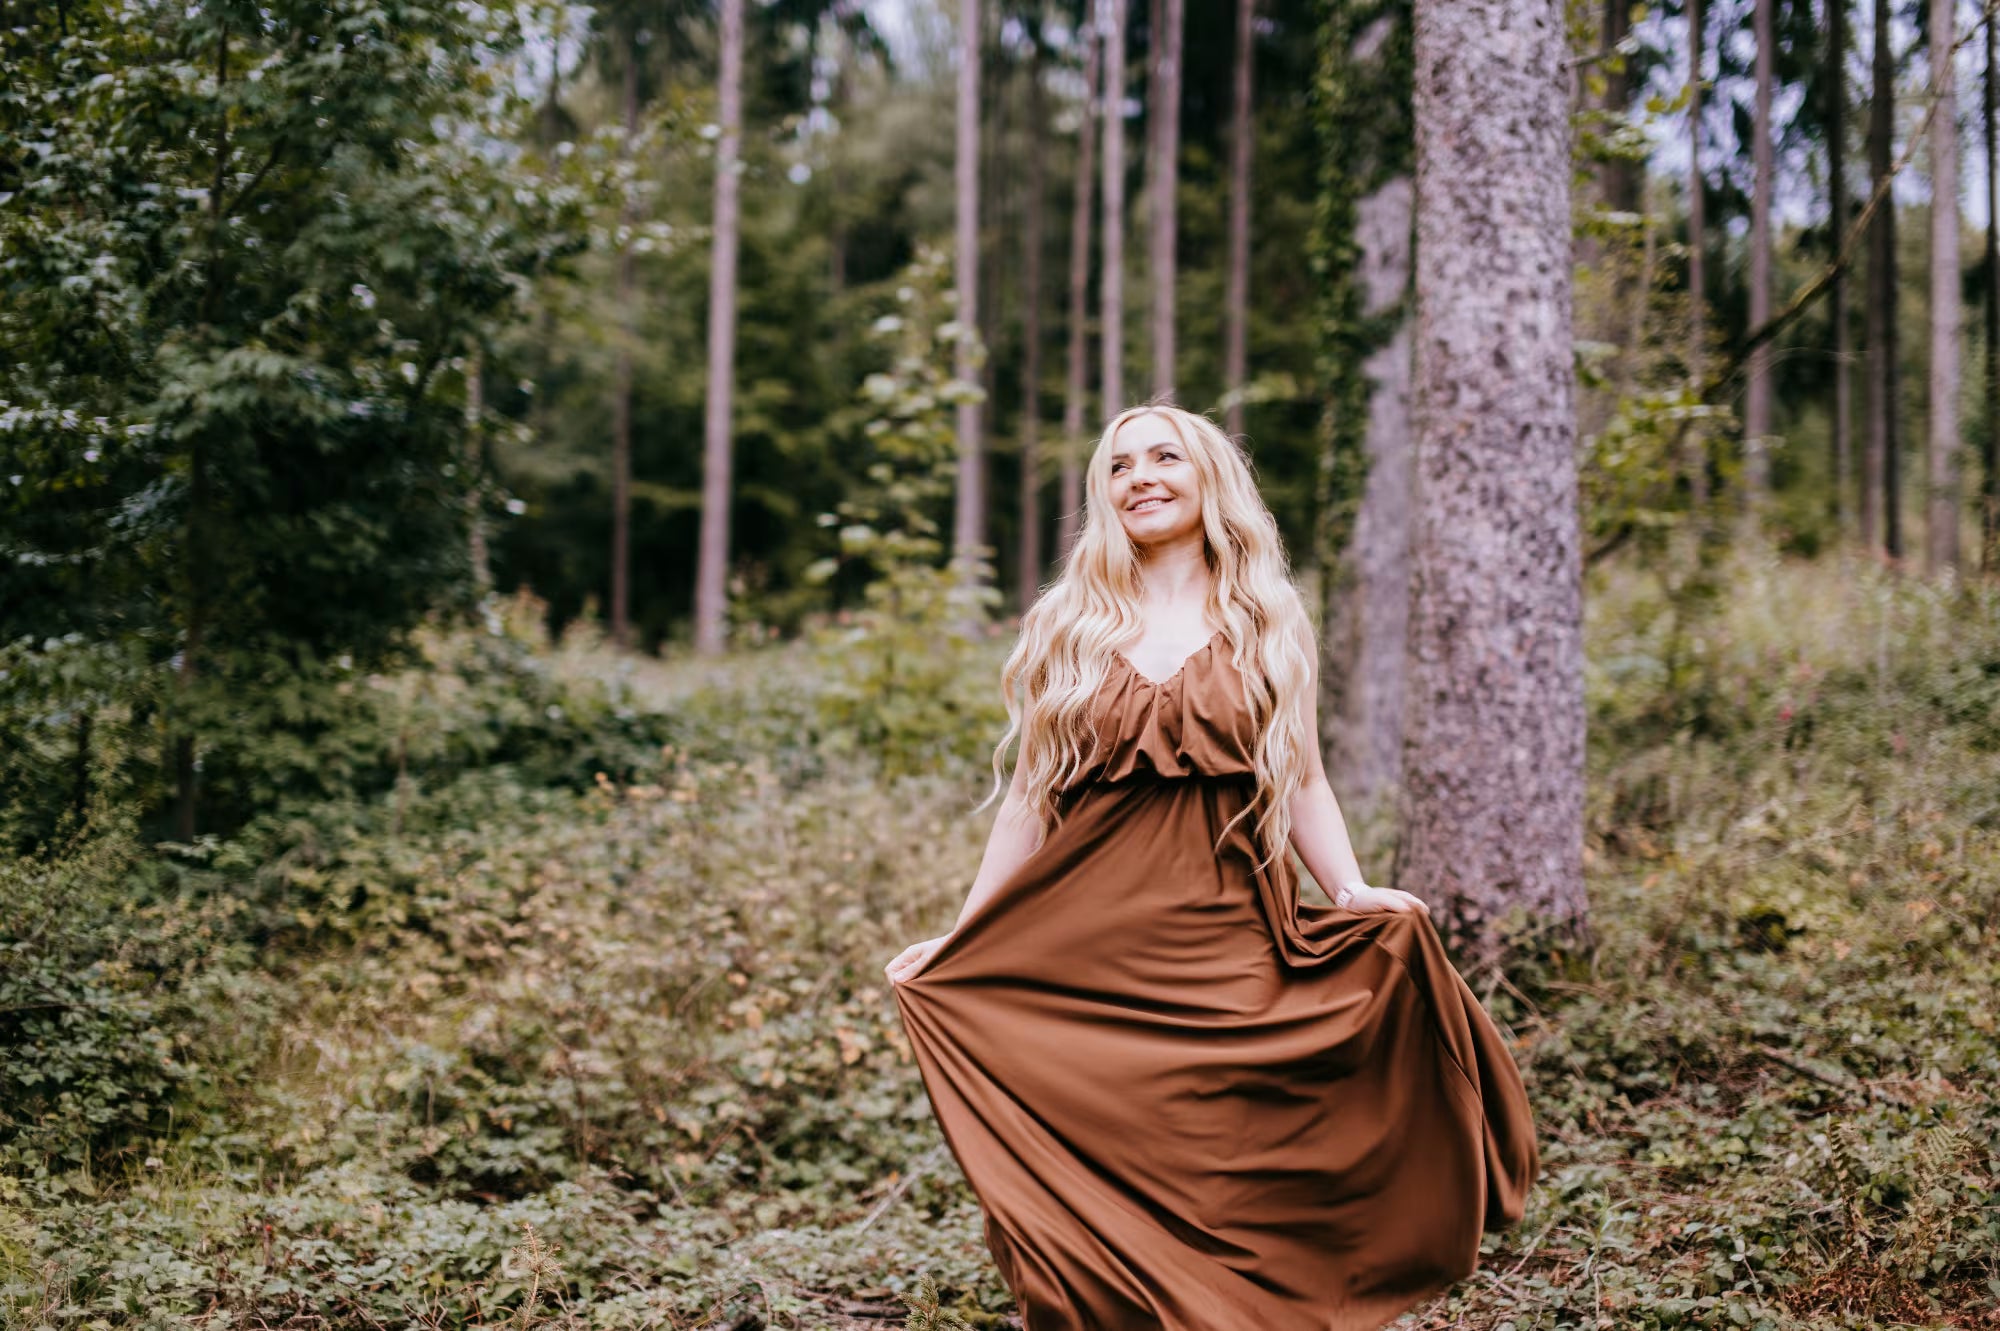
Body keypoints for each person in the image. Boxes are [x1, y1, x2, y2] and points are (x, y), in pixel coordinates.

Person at [885, 402, 1538, 1331]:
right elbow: (1030, 802)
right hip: (1081, 951)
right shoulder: (1069, 624)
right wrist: (966, 935)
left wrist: (1349, 890)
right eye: (1120, 465)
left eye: (1165, 457)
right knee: (1102, 1149)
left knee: (1223, 1156)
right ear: (1103, 494)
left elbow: (1303, 777)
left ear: (1208, 480)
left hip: (1227, 931)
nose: (1141, 476)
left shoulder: (1265, 622)